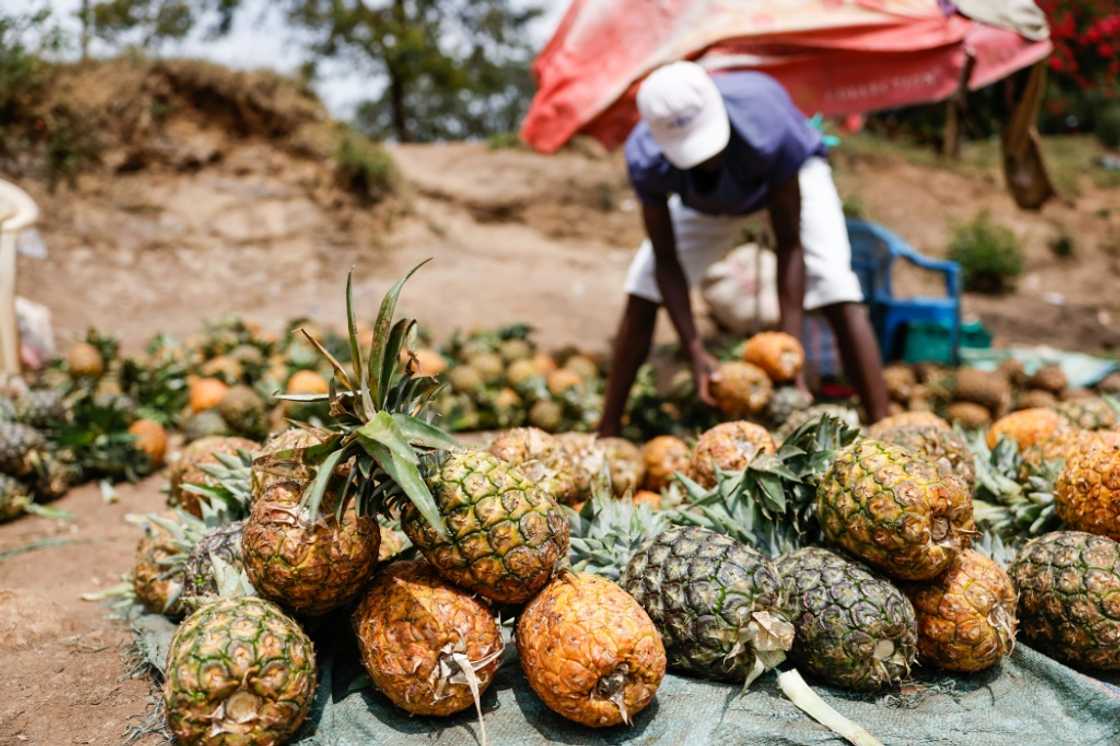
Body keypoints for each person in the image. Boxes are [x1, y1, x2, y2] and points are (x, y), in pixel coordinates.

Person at [597, 61, 890, 437]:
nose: (706, 159)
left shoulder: (768, 123)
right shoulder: (646, 159)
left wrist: (788, 353)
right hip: (704, 204)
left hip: (784, 181)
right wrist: (693, 348)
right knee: (642, 282)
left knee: (835, 282)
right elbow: (667, 261)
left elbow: (790, 244)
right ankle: (606, 429)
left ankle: (883, 423)